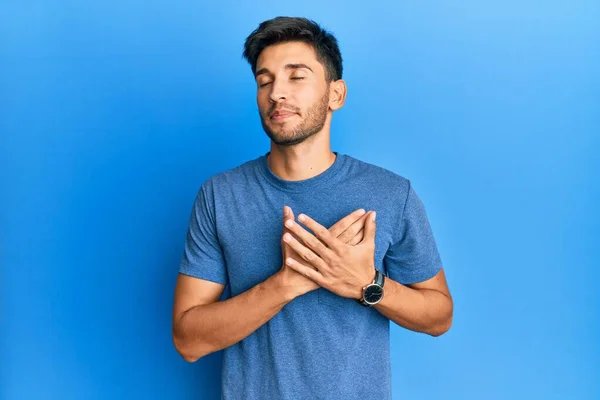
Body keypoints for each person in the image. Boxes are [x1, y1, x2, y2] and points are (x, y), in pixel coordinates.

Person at [172, 16, 453, 400]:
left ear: (336, 94)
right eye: (264, 80)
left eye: (296, 76)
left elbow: (440, 316)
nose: (276, 93)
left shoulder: (390, 193)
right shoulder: (220, 196)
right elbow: (189, 341)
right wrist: (287, 282)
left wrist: (367, 285)